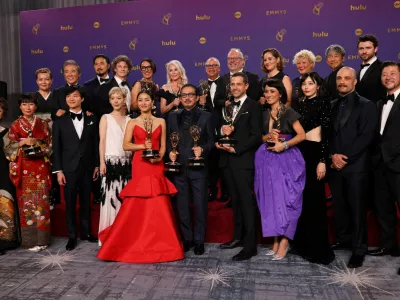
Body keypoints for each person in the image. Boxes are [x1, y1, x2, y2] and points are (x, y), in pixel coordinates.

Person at [97, 91, 183, 263]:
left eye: (147, 100)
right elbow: (126, 145)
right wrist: (143, 145)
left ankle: (163, 244)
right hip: (140, 164)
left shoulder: (161, 121)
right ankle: (131, 239)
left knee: (158, 201)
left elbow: (163, 146)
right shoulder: (132, 122)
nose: (143, 103)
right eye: (140, 100)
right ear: (137, 103)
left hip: (156, 166)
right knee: (137, 202)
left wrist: (159, 157)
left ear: (153, 103)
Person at [328, 67, 378, 268]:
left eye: (347, 78)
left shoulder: (367, 105)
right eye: (339, 78)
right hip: (334, 165)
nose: (342, 81)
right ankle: (344, 239)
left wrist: (345, 158)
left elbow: (366, 136)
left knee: (357, 208)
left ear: (354, 82)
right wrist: (332, 156)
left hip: (356, 165)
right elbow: (326, 135)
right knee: (339, 206)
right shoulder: (330, 105)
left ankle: (359, 248)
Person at [254, 79, 306, 261]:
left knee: (286, 200)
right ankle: (275, 240)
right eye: (266, 92)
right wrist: (266, 137)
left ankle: (284, 241)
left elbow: (302, 135)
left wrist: (284, 145)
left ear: (280, 94)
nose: (268, 95)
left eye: (272, 92)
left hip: (286, 160)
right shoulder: (264, 113)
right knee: (271, 199)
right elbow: (260, 137)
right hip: (266, 159)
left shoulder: (288, 111)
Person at [216, 72, 263, 261]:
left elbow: (256, 135)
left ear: (246, 86)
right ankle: (238, 237)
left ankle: (250, 245)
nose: (234, 87)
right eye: (232, 84)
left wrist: (236, 149)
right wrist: (221, 135)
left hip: (243, 160)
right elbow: (220, 127)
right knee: (235, 201)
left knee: (246, 202)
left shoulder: (254, 106)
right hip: (226, 161)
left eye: (238, 84)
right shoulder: (227, 106)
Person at [167, 84, 215, 255]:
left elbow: (212, 141)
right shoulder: (172, 116)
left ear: (197, 97)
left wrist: (203, 149)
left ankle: (199, 241)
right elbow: (168, 141)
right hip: (179, 168)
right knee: (182, 206)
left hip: (199, 168)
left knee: (200, 205)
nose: (187, 98)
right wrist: (170, 153)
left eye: (190, 95)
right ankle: (187, 239)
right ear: (179, 98)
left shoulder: (207, 116)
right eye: (183, 95)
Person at [293, 72, 335, 265]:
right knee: (302, 201)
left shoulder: (324, 103)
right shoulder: (299, 104)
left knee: (315, 201)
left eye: (311, 83)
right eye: (304, 84)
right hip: (299, 154)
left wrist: (322, 160)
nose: (307, 87)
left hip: (315, 153)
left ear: (318, 85)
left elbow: (326, 134)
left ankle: (318, 250)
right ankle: (302, 244)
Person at [52, 86, 99, 251]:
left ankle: (86, 233)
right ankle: (72, 236)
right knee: (70, 204)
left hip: (87, 167)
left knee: (86, 202)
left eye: (75, 96)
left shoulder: (92, 119)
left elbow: (95, 145)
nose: (71, 99)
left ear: (82, 99)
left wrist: (96, 165)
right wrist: (58, 171)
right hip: (68, 168)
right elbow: (56, 148)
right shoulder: (59, 122)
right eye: (69, 97)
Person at [5, 93, 52, 252]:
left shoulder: (43, 124)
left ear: (35, 106)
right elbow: (8, 149)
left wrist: (41, 148)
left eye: (31, 104)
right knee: (27, 204)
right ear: (20, 107)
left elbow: (49, 145)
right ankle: (30, 241)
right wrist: (23, 143)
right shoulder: (15, 125)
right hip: (24, 168)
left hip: (40, 166)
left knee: (42, 202)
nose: (28, 107)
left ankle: (43, 239)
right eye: (24, 104)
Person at [369, 61, 400, 258]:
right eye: (384, 74)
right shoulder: (379, 103)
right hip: (380, 164)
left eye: (392, 74)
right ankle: (389, 246)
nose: (387, 77)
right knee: (383, 208)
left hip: (399, 165)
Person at [98, 87, 132, 246]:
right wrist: (102, 163)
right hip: (110, 163)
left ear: (124, 99)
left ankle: (124, 236)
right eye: (113, 98)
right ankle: (108, 237)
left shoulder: (130, 120)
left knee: (124, 200)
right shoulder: (105, 118)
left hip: (127, 164)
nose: (116, 101)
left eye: (119, 98)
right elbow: (102, 141)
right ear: (110, 100)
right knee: (110, 199)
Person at [200, 57, 229, 202]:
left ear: (219, 68)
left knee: (223, 162)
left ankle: (225, 192)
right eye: (208, 65)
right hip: (207, 128)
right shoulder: (201, 86)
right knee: (210, 162)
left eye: (214, 65)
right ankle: (212, 190)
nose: (211, 68)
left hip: (224, 126)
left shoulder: (225, 83)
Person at [34, 68, 60, 207]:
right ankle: (40, 199)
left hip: (55, 137)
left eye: (47, 79)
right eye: (41, 79)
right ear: (37, 81)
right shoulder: (32, 98)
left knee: (54, 168)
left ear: (51, 81)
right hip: (38, 139)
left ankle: (54, 199)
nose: (44, 82)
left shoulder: (57, 97)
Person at [0, 98, 18, 255]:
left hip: (3, 172)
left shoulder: (6, 132)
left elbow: (12, 155)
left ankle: (5, 240)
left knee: (5, 205)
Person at [356, 34, 386, 104]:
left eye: (368, 48)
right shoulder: (357, 72)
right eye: (361, 48)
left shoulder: (383, 68)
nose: (364, 51)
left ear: (375, 49)